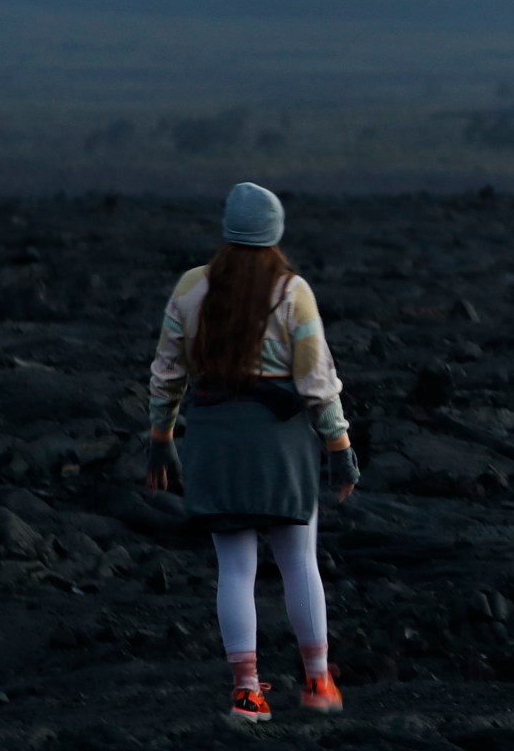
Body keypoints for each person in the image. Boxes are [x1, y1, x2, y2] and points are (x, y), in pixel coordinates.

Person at [142, 182, 361, 722]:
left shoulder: (192, 288)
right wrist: (340, 447)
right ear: (276, 232)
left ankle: (247, 693)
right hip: (280, 443)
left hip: (215, 438)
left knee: (234, 570)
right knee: (298, 562)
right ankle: (317, 683)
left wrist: (162, 441)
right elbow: (316, 381)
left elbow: (167, 375)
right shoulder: (293, 291)